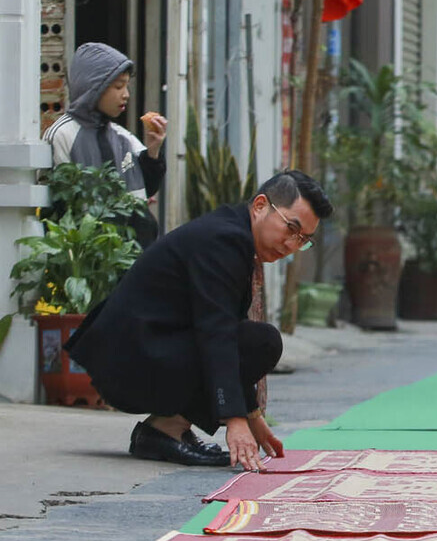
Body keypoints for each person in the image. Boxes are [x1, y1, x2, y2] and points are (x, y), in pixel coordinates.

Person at [69, 169, 330, 470]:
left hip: (142, 355)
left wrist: (253, 417)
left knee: (254, 339)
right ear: (260, 206)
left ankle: (165, 429)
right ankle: (165, 429)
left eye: (303, 240)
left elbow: (224, 331)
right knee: (262, 342)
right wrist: (235, 419)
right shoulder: (225, 240)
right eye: (290, 228)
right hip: (128, 366)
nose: (290, 245)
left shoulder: (235, 233)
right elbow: (216, 333)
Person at [44, 42, 167, 246]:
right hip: (90, 258)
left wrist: (153, 150)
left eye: (127, 86)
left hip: (130, 256)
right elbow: (55, 204)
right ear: (93, 87)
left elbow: (148, 187)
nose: (126, 94)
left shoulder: (121, 136)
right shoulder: (62, 134)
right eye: (118, 86)